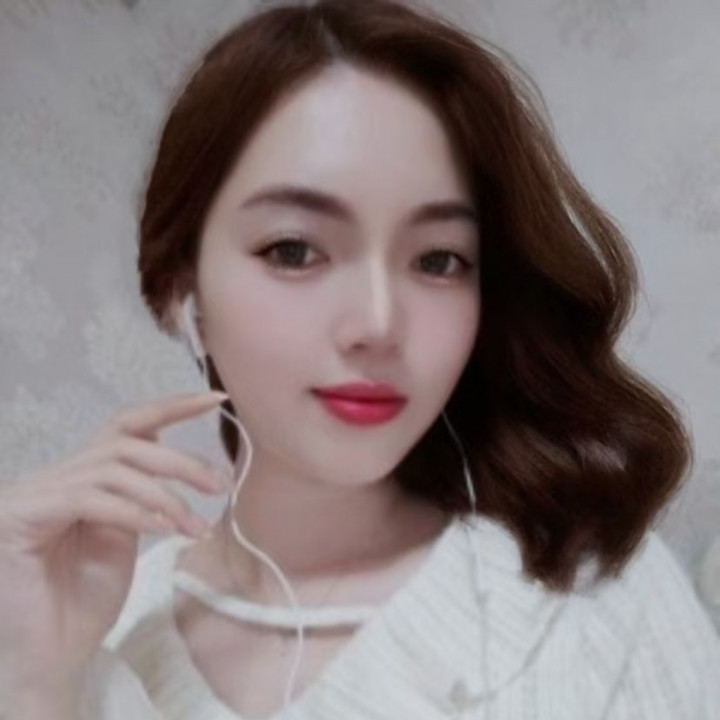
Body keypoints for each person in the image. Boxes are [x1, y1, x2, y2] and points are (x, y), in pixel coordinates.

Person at [1, 0, 719, 718]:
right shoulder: (82, 629)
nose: (378, 324)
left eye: (437, 260)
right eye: (294, 251)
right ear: (179, 291)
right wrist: (34, 687)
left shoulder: (593, 610)